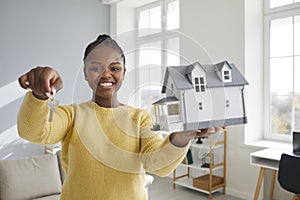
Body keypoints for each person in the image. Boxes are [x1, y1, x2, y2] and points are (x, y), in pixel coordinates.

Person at [17, 34, 223, 200]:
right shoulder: (72, 114)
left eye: (114, 68)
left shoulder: (140, 117)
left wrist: (184, 136)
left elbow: (157, 165)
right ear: (85, 73)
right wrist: (39, 95)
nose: (105, 74)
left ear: (124, 72)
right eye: (96, 68)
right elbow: (34, 132)